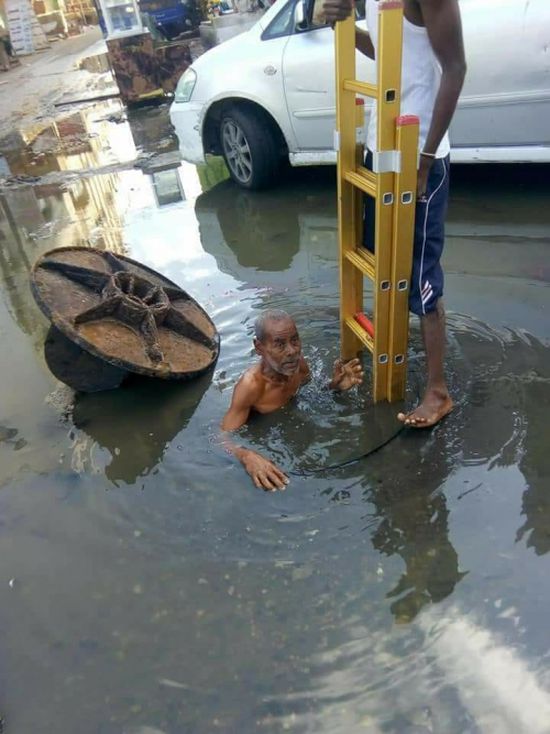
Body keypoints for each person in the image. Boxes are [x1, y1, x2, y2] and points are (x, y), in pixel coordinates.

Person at [324, 0, 466, 428]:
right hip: (380, 149)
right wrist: (344, 26)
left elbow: (456, 69)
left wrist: (424, 159)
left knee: (420, 274)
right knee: (382, 262)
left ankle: (438, 391)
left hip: (418, 152)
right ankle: (383, 358)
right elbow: (392, 54)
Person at [221, 309, 364, 491]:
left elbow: (309, 393)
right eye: (279, 344)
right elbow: (222, 438)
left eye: (295, 341)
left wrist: (334, 388)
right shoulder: (251, 387)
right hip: (264, 434)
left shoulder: (298, 365)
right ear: (259, 348)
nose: (291, 351)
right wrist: (247, 456)